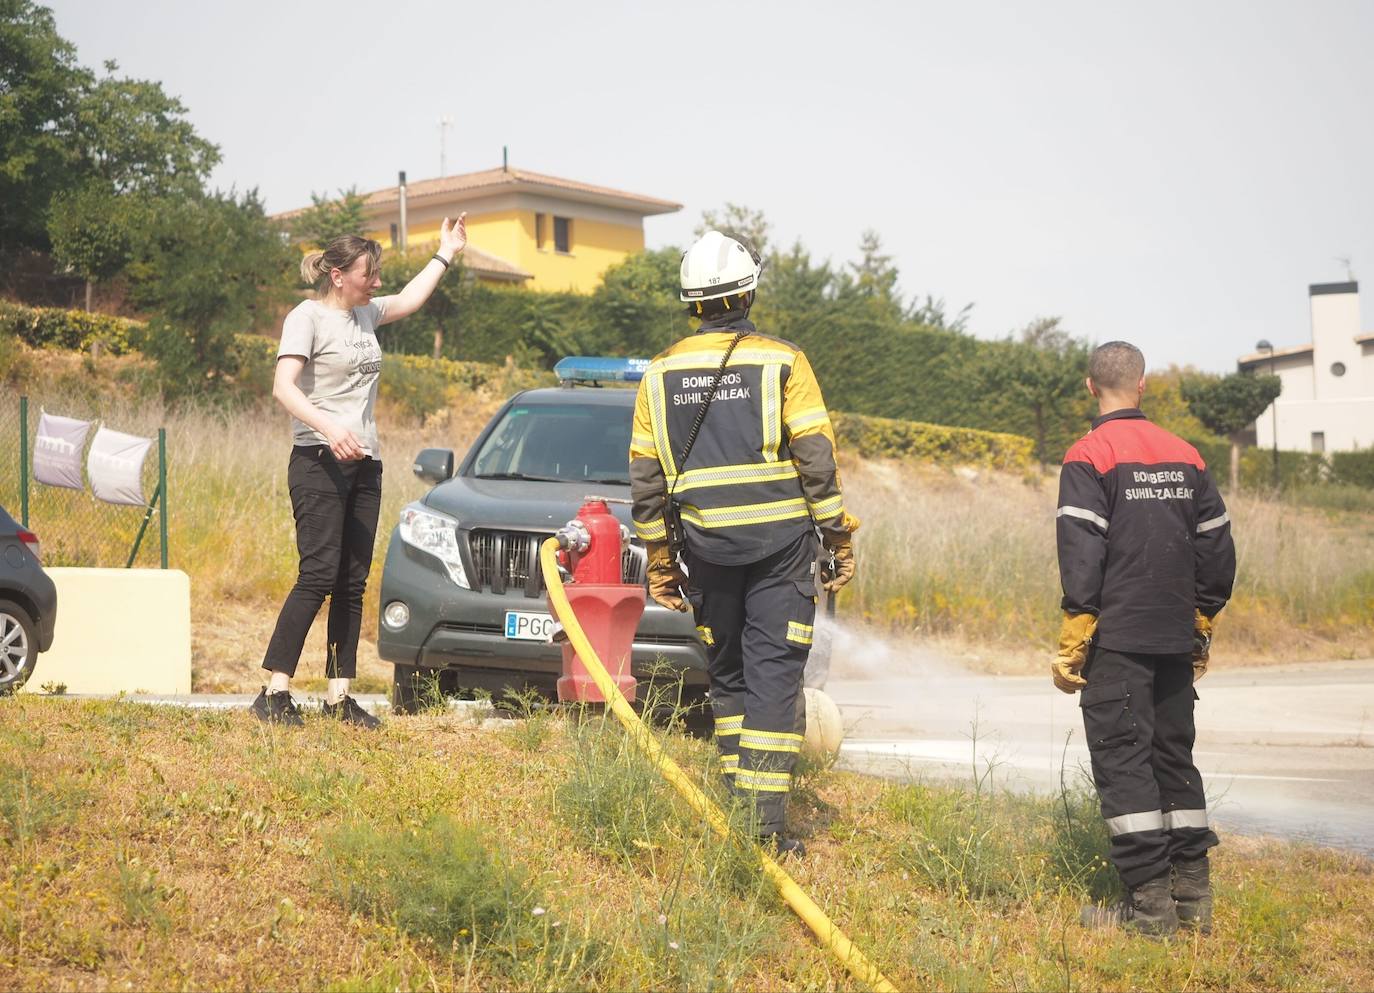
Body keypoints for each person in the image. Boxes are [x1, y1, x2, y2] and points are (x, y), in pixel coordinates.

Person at [629, 230, 859, 855]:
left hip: (705, 551)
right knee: (774, 677)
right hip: (780, 549)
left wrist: (658, 564)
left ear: (691, 302)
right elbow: (816, 458)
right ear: (747, 291)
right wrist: (837, 538)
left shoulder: (659, 373)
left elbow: (646, 482)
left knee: (728, 674)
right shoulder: (784, 362)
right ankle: (764, 828)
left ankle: (742, 800)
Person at [252, 218, 467, 727]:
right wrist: (329, 428)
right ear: (337, 274)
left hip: (365, 464)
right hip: (318, 462)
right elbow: (284, 387)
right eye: (368, 275)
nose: (375, 284)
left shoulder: (366, 314)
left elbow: (412, 298)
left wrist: (446, 251)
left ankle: (338, 696)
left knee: (351, 581)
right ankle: (274, 690)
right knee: (317, 575)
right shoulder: (306, 317)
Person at [1053, 340, 1236, 936]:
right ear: (1144, 385)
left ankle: (1150, 913)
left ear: (1090, 387)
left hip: (1120, 638)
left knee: (1125, 765)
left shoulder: (1089, 455)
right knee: (1173, 759)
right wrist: (1201, 620)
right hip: (1175, 637)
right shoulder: (1187, 455)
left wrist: (1076, 631)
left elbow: (1083, 553)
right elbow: (1216, 548)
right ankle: (1194, 902)